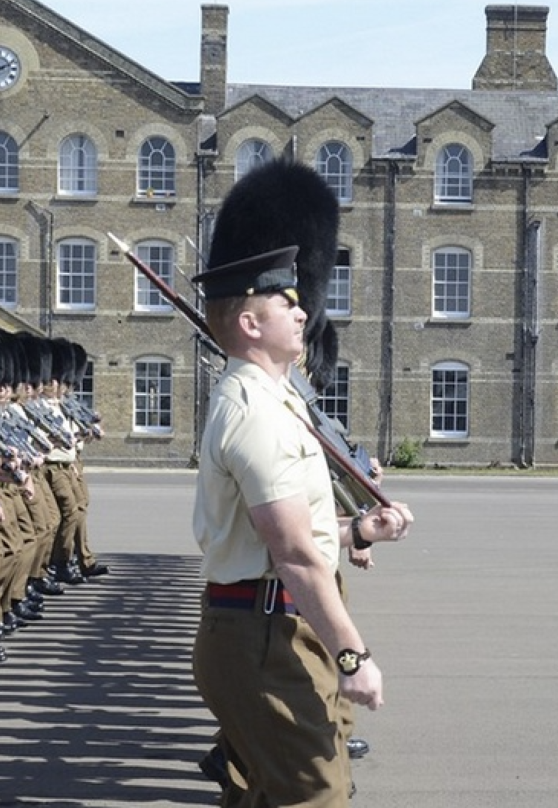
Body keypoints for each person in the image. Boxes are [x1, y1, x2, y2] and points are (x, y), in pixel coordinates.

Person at [190, 159, 414, 807]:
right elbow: (289, 554)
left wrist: (359, 528)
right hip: (262, 635)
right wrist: (353, 657)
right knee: (318, 794)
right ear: (251, 322)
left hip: (269, 627)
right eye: (286, 300)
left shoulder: (275, 402)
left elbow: (298, 534)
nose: (302, 310)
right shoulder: (256, 411)